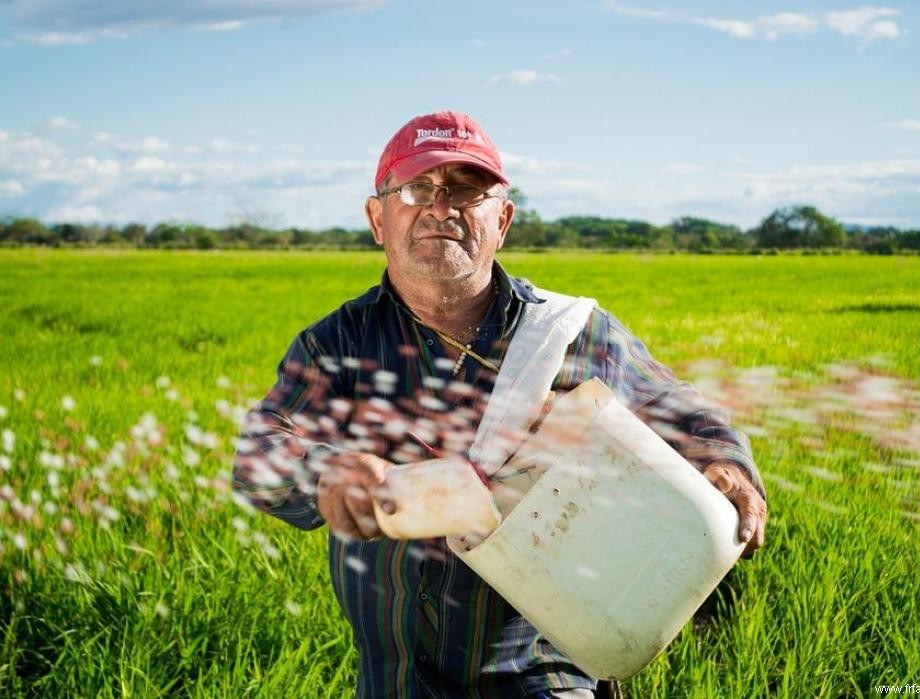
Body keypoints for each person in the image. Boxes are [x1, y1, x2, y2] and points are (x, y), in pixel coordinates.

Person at [232, 110, 767, 698]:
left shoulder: (568, 332)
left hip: (546, 673)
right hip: (394, 679)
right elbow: (258, 454)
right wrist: (324, 471)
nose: (441, 207)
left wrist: (727, 463)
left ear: (502, 220)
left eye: (466, 190)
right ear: (377, 218)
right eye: (415, 188)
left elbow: (677, 407)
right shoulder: (338, 344)